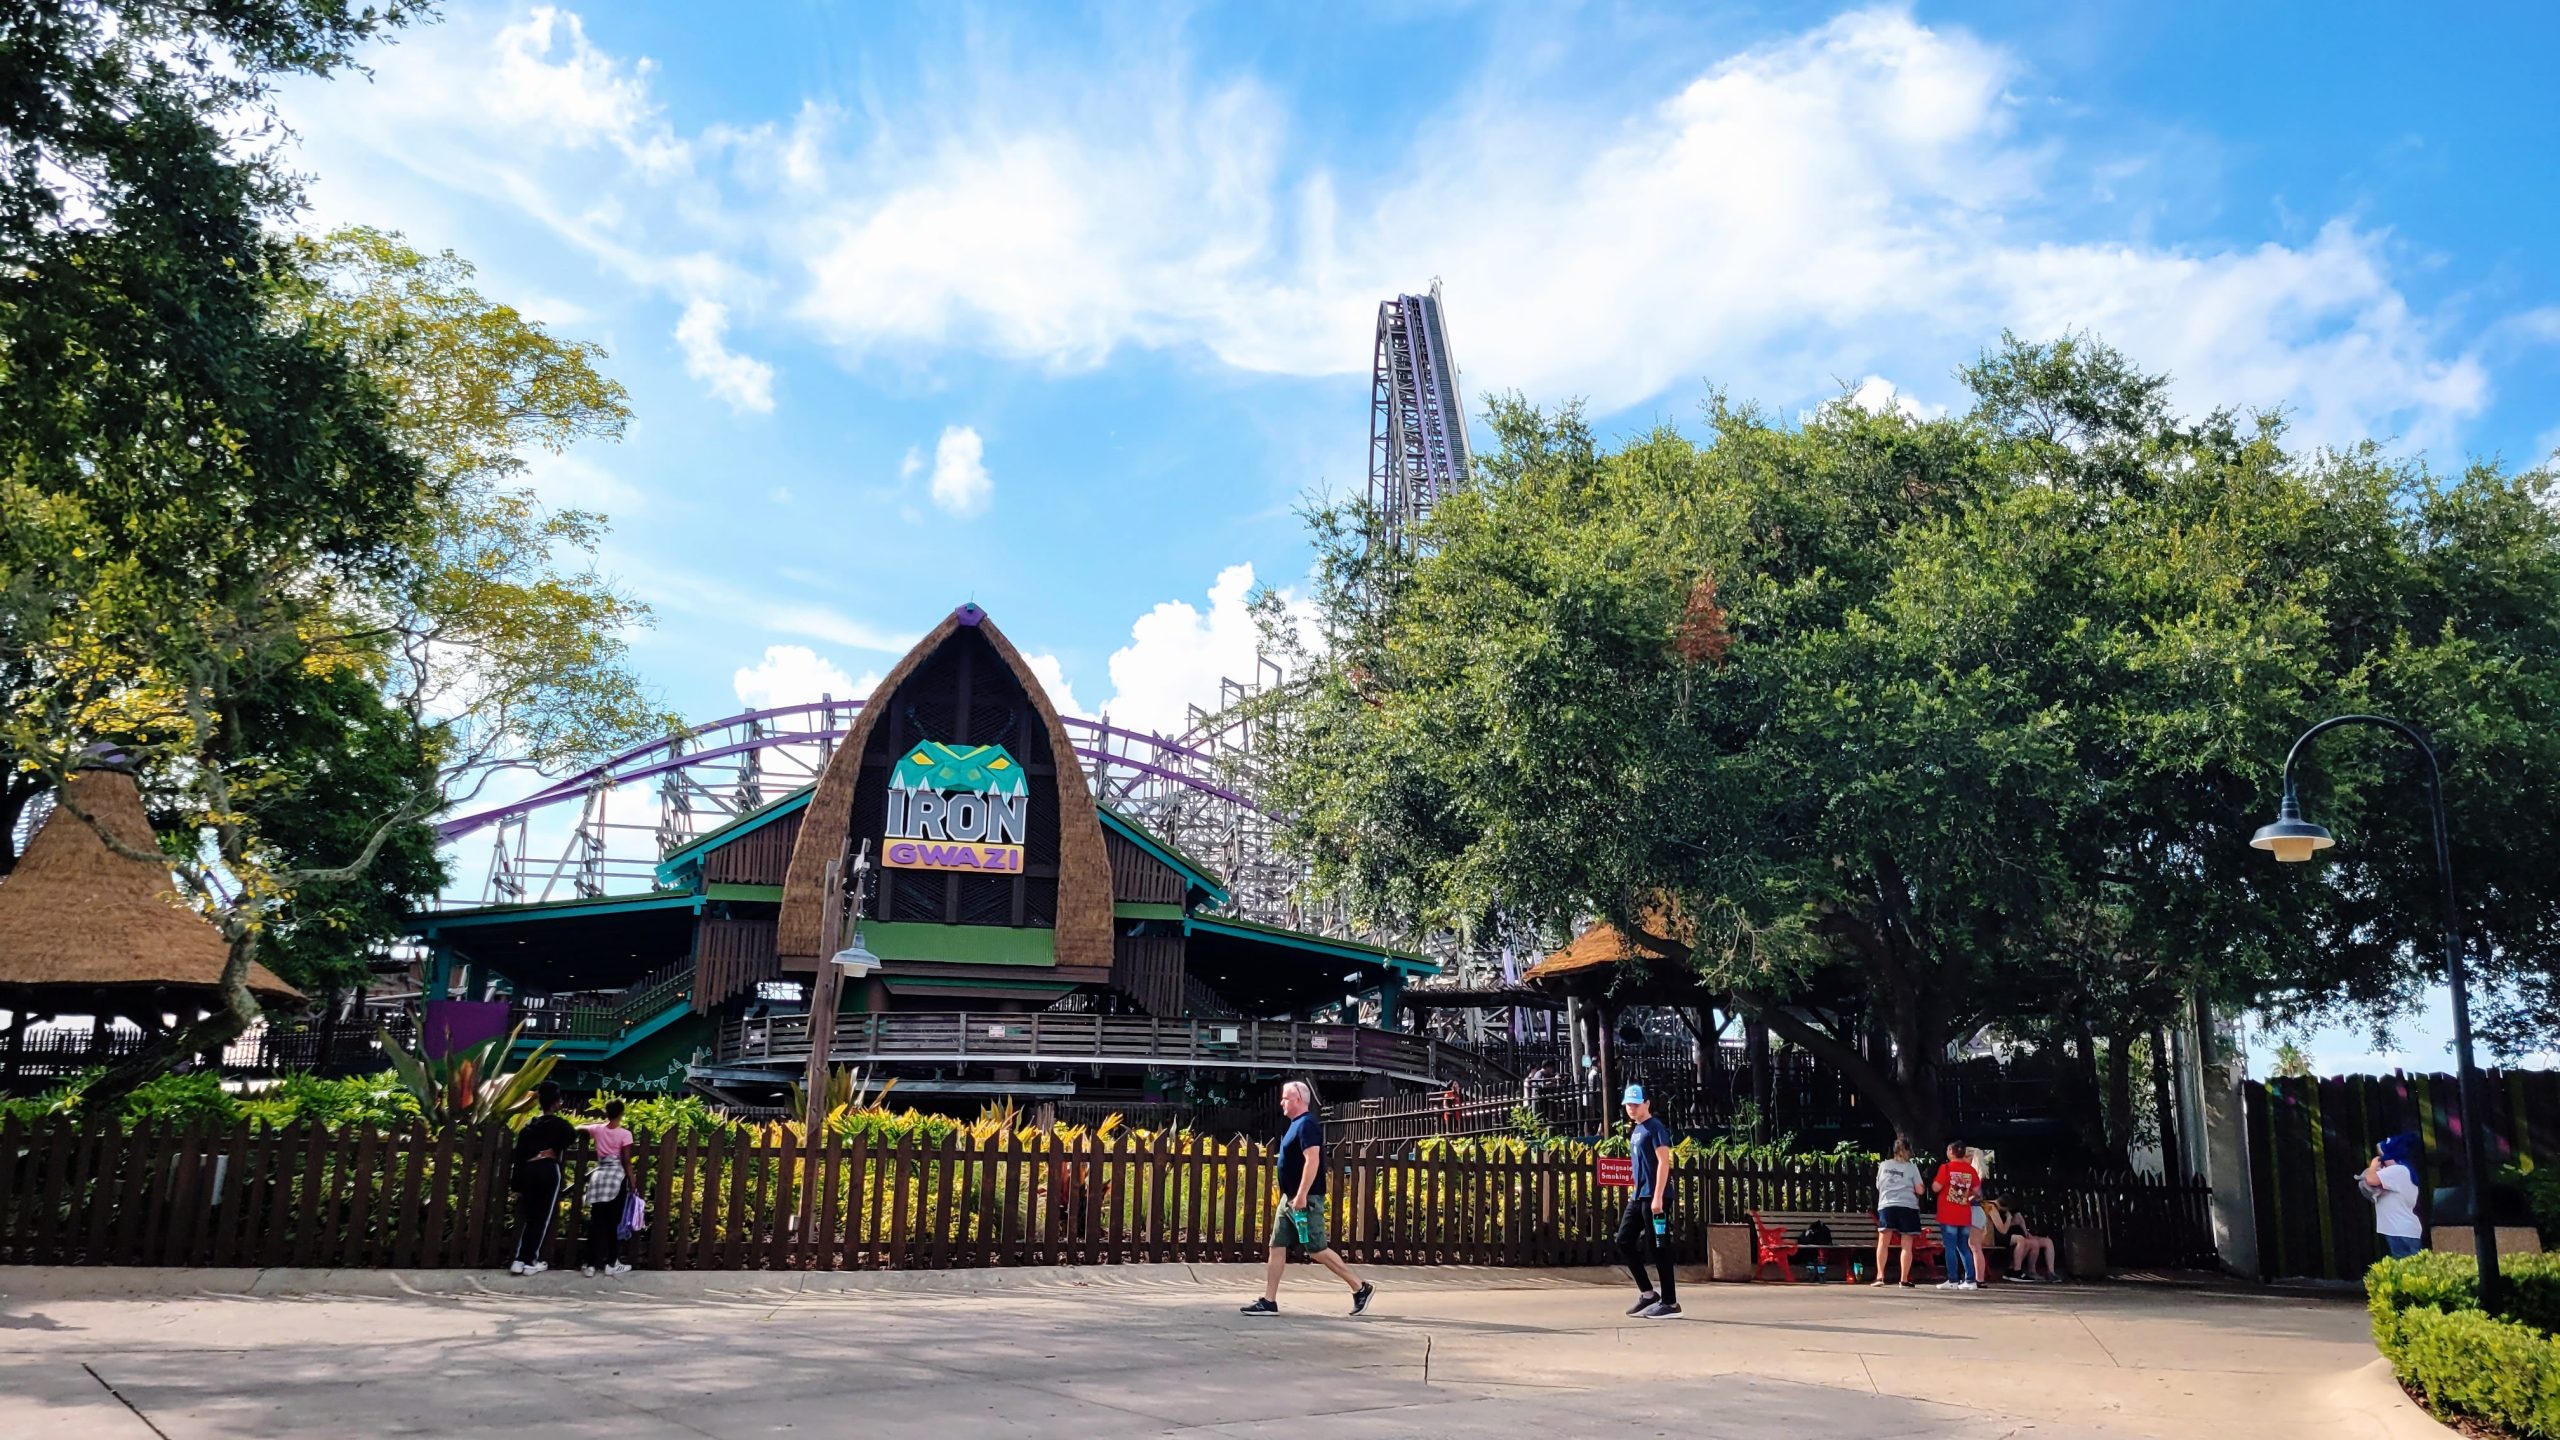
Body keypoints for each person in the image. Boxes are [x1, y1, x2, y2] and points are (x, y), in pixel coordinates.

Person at [1241, 1080, 1374, 1316]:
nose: (1281, 1102)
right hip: (1290, 1199)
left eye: (1286, 1098)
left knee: (1316, 1249)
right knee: (1277, 1246)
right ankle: (1269, 1301)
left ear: (1299, 1100)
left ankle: (1360, 1287)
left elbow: (1313, 1160)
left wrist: (1302, 1194)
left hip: (1305, 1199)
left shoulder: (1307, 1125)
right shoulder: (1295, 1124)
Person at [1614, 1084, 1681, 1318]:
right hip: (1639, 1196)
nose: (1631, 1108)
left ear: (1647, 1103)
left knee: (1659, 1246)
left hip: (1655, 1197)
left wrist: (1658, 1197)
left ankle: (1670, 1303)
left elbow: (1664, 1162)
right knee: (1623, 1240)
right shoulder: (1637, 1129)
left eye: (1635, 1104)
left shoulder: (1655, 1127)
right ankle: (1648, 1294)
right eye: (1628, 1105)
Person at [508, 1082, 576, 1276]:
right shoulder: (560, 1125)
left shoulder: (528, 1128)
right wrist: (554, 1149)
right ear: (555, 1103)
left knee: (529, 1217)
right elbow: (572, 1135)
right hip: (547, 1169)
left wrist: (516, 1186)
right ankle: (530, 1261)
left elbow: (519, 1158)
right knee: (541, 1218)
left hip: (528, 1170)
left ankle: (519, 1260)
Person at [579, 1099, 636, 1278]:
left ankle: (590, 1265)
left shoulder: (597, 1129)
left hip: (599, 1177)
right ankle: (612, 1263)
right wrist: (632, 1181)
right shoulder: (625, 1134)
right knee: (613, 1223)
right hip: (616, 1179)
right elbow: (626, 1161)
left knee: (596, 1222)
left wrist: (592, 1125)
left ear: (606, 1113)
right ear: (621, 1113)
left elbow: (579, 1127)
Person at [1871, 1136, 1926, 1288]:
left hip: (1887, 1205)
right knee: (1906, 1244)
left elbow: (1878, 1185)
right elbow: (1920, 1189)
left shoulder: (1884, 1165)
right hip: (1907, 1206)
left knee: (1883, 1241)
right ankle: (1903, 1279)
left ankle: (1880, 1276)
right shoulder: (1911, 1167)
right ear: (1906, 1150)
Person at [2360, 1133, 2425, 1259]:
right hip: (2400, 1229)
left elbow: (2371, 1180)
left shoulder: (2397, 1170)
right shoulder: (2402, 1171)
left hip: (2399, 1230)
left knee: (2404, 1265)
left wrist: (2373, 1166)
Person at [1930, 1139, 1981, 1290]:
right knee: (1964, 1247)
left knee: (1950, 1247)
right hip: (1964, 1214)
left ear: (1951, 1152)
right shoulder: (1970, 1170)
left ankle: (1953, 1279)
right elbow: (1978, 1192)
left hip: (1948, 1214)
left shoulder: (1946, 1168)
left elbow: (1936, 1187)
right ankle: (1970, 1280)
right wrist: (1967, 1197)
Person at [1982, 1195, 2056, 1281]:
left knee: (2023, 1240)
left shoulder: (1986, 1204)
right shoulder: (1991, 1207)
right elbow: (2003, 1230)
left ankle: (2014, 1270)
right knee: (2020, 1239)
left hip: (1987, 1236)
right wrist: (2009, 1218)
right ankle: (2016, 1271)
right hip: (1989, 1237)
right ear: (2004, 1206)